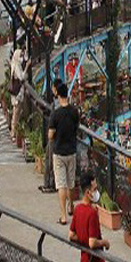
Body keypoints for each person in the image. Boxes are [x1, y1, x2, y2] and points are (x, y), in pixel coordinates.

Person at [48, 83, 79, 224]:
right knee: (71, 183)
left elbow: (50, 135)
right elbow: (76, 127)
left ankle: (63, 216)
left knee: (61, 184)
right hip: (71, 150)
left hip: (59, 152)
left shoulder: (56, 114)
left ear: (58, 95)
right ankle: (71, 206)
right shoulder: (74, 112)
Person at [39, 79, 63, 194]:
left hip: (54, 136)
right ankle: (49, 183)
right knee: (50, 159)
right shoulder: (60, 105)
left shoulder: (56, 105)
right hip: (58, 136)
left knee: (50, 159)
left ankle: (50, 184)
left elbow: (54, 121)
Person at [9, 43, 28, 137]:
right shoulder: (16, 66)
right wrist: (27, 67)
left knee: (16, 112)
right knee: (16, 113)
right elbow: (21, 77)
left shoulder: (14, 64)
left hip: (15, 92)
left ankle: (14, 131)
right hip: (18, 93)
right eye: (20, 56)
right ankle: (13, 132)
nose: (21, 58)